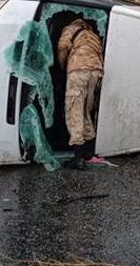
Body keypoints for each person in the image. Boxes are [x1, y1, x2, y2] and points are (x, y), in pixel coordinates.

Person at [57, 18, 104, 170]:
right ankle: (89, 153)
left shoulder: (70, 28)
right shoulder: (92, 35)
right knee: (85, 111)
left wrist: (62, 65)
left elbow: (63, 46)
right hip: (96, 72)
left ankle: (78, 158)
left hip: (78, 70)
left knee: (74, 110)